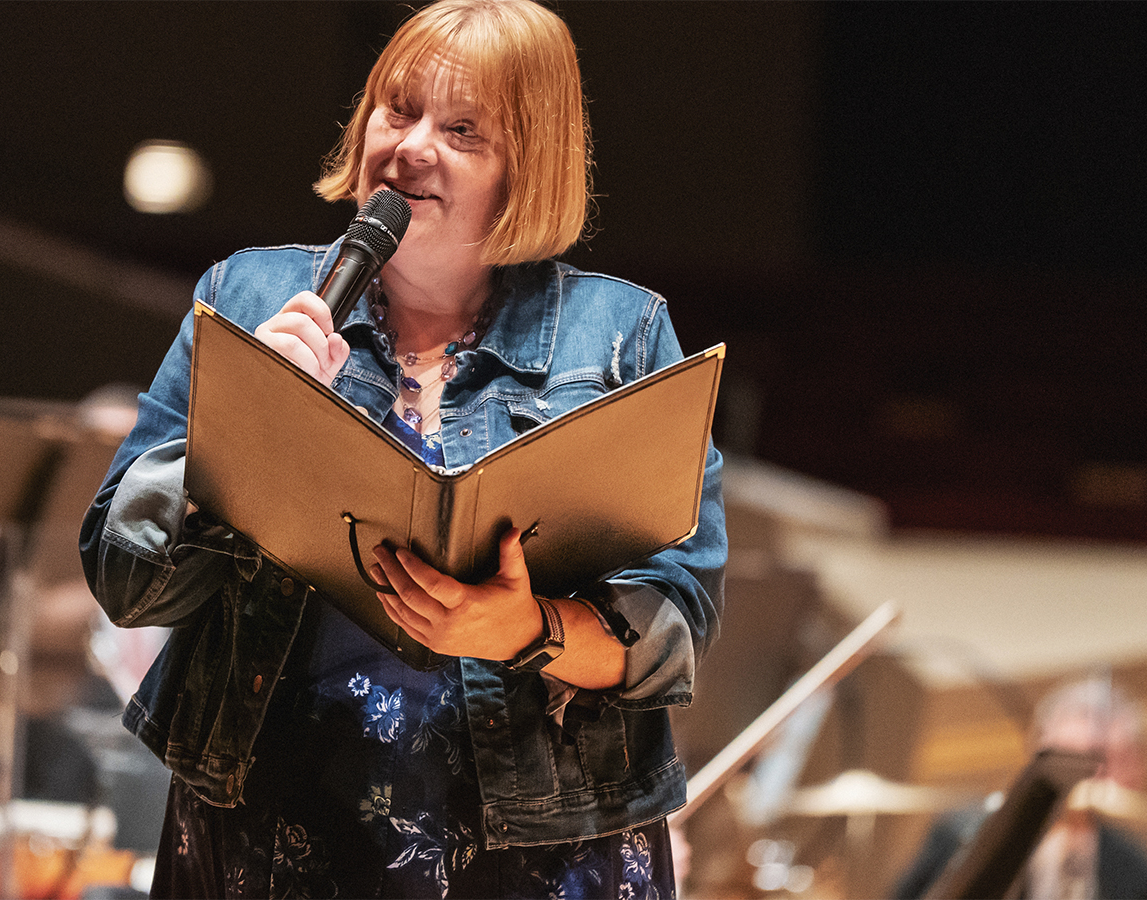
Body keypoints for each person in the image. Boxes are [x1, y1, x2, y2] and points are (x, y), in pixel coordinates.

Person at [80, 1, 726, 896]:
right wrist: (247, 422)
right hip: (270, 829)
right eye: (398, 109)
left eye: (462, 129)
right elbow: (127, 582)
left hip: (540, 852)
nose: (413, 145)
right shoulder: (247, 293)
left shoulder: (618, 333)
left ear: (525, 165)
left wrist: (524, 631)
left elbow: (674, 622)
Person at [892, 674, 1147, 900]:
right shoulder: (962, 832)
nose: (1089, 778)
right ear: (1037, 749)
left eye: (1108, 762)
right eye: (1070, 759)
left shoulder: (1134, 868)